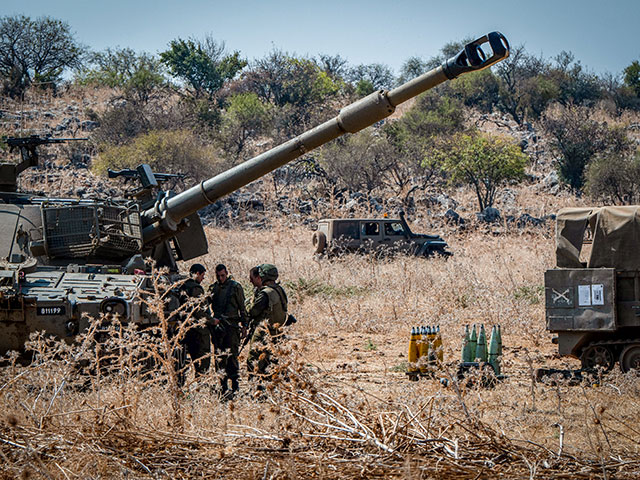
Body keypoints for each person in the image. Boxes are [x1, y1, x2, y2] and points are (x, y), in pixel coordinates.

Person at [208, 264, 247, 398]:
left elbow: (242, 307)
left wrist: (244, 326)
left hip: (232, 326)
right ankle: (223, 387)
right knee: (219, 357)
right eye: (218, 276)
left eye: (222, 275)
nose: (220, 278)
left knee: (232, 356)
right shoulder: (213, 288)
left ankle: (235, 387)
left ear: (227, 273)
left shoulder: (235, 287)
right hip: (219, 327)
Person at [246, 264, 289, 382]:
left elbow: (252, 311)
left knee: (254, 360)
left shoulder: (265, 293)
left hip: (265, 331)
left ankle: (255, 386)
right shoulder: (279, 289)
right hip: (278, 331)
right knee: (275, 361)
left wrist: (249, 302)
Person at [179, 263, 212, 378]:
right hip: (199, 330)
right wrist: (212, 321)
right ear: (197, 273)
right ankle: (200, 383)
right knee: (202, 360)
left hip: (186, 328)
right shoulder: (196, 288)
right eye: (202, 275)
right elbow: (199, 311)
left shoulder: (183, 285)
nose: (203, 278)